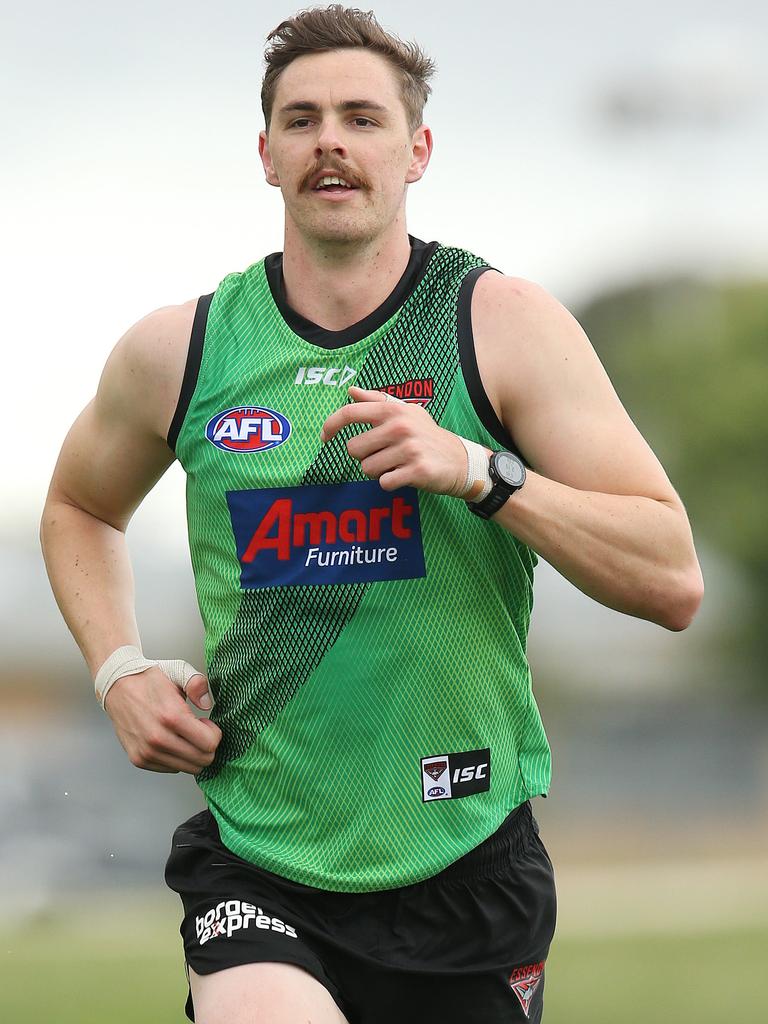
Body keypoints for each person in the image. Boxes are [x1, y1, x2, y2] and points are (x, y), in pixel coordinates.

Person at [40, 6, 704, 1023]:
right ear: (266, 155)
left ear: (417, 148)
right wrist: (117, 667)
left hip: (465, 853)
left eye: (362, 117)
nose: (332, 142)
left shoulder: (500, 327)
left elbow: (670, 579)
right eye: (302, 121)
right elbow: (80, 504)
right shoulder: (183, 351)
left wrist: (483, 472)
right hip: (260, 857)